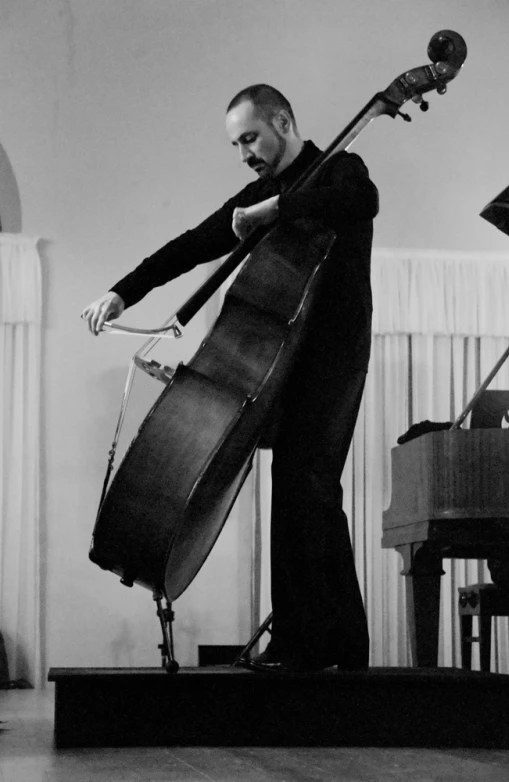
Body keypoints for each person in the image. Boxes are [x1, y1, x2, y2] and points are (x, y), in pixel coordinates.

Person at [82, 84, 379, 672]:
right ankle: (345, 645)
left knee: (303, 484)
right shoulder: (256, 194)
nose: (244, 151)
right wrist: (122, 291)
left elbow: (360, 201)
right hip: (283, 360)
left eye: (250, 137)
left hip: (334, 358)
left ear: (284, 121)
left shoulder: (340, 168)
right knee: (313, 493)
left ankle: (301, 644)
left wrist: (279, 210)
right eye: (236, 143)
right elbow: (191, 246)